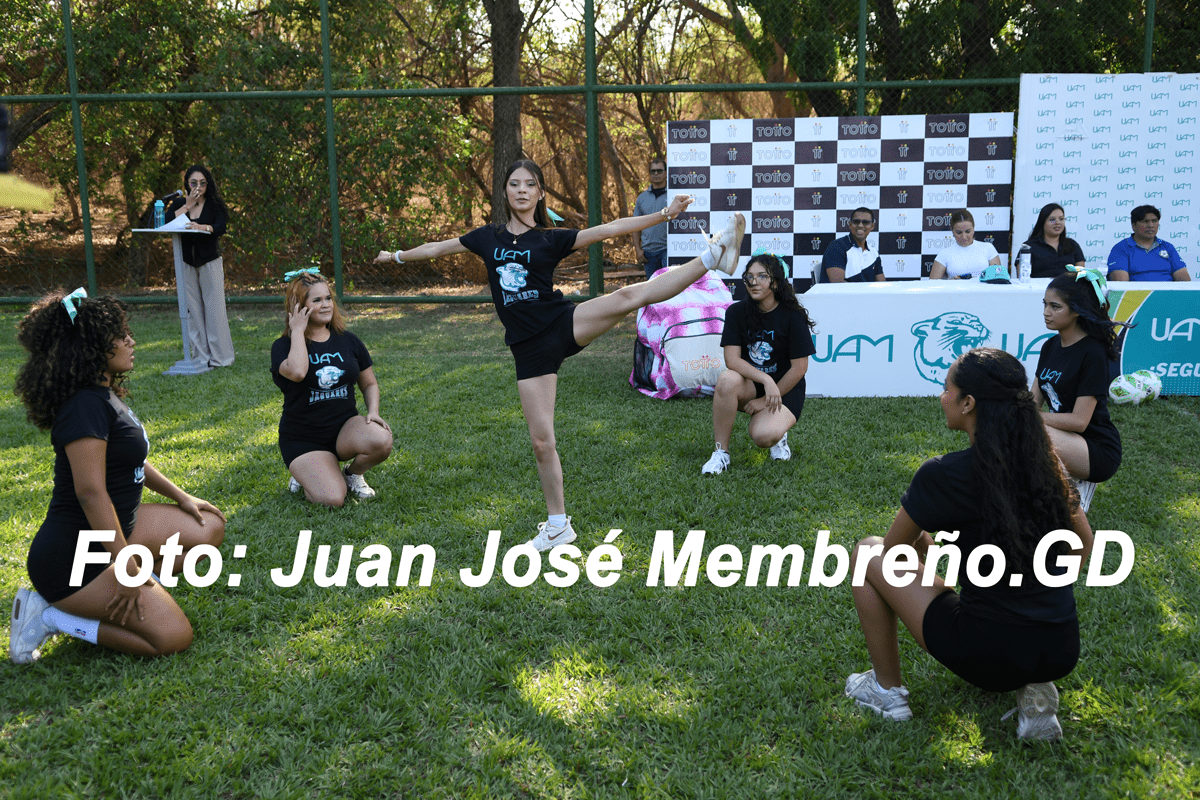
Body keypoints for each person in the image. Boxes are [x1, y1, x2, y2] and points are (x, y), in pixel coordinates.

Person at [373, 158, 744, 551]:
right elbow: (436, 248)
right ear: (504, 191)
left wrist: (664, 215)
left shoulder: (549, 239)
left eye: (528, 184)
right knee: (541, 441)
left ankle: (712, 257)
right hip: (528, 349)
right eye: (513, 183)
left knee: (628, 296)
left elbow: (609, 229)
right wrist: (395, 257)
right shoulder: (487, 237)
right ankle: (557, 526)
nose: (520, 190)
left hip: (561, 324)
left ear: (539, 193)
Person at [844, 347, 1093, 741]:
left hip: (987, 652)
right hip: (1060, 645)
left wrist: (925, 546)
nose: (942, 397)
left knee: (867, 552)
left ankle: (886, 690)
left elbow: (893, 554)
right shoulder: (1049, 462)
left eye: (947, 389)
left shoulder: (943, 474)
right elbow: (1083, 548)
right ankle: (1033, 688)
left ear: (969, 403)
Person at [9, 290, 226, 663]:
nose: (132, 342)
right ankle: (51, 615)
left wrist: (182, 496)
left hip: (117, 530)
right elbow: (91, 492)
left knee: (208, 527)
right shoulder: (84, 408)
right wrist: (124, 566)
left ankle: (135, 585)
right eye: (121, 336)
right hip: (74, 559)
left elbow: (130, 461)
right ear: (94, 347)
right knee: (173, 637)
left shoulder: (104, 394)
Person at [271, 269, 393, 507]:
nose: (326, 305)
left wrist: (373, 412)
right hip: (303, 439)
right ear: (299, 306)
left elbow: (369, 383)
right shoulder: (282, 346)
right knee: (332, 499)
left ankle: (351, 475)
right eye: (317, 300)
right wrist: (297, 330)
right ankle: (307, 472)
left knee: (381, 440)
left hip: (343, 431)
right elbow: (297, 372)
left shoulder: (348, 340)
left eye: (328, 298)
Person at [701, 252, 816, 474]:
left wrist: (767, 399)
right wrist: (764, 380)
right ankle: (720, 453)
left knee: (763, 436)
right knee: (726, 379)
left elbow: (799, 367)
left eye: (762, 276)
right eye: (749, 276)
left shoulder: (792, 316)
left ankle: (779, 435)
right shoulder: (736, 311)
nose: (754, 282)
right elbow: (732, 360)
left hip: (786, 387)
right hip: (752, 383)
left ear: (775, 281)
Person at [1033, 268, 1128, 511]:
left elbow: (1079, 421)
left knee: (1030, 430)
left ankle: (1075, 491)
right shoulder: (1050, 345)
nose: (1046, 312)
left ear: (1076, 310)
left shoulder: (1093, 352)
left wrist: (1031, 418)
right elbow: (1032, 402)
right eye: (1045, 304)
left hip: (1095, 448)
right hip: (1061, 436)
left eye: (1055, 307)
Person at [166, 164, 236, 367]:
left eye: (202, 183)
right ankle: (200, 357)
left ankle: (220, 358)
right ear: (187, 184)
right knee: (193, 310)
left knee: (214, 309)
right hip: (186, 261)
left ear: (208, 184)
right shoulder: (179, 203)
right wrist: (187, 205)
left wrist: (203, 227)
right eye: (194, 183)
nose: (198, 187)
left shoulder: (214, 204)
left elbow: (221, 226)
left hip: (209, 261)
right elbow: (167, 222)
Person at [1106, 205, 1192, 282]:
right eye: (1145, 221)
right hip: (1136, 298)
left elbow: (1185, 281)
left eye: (1154, 221)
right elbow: (1121, 284)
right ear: (1133, 226)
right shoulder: (1121, 248)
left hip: (1168, 296)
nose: (1151, 225)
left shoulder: (1168, 247)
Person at [929, 210, 1003, 281]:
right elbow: (933, 284)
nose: (964, 237)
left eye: (968, 231)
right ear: (952, 231)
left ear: (973, 229)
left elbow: (999, 277)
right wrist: (951, 281)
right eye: (959, 232)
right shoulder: (944, 253)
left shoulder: (988, 248)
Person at [819, 207, 885, 282]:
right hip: (841, 294)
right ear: (850, 224)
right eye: (856, 222)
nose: (860, 225)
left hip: (865, 293)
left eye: (865, 222)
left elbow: (881, 284)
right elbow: (837, 285)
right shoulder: (836, 247)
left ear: (872, 226)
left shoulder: (874, 253)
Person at [1022, 203, 1085, 279]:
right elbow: (1022, 277)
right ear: (1042, 222)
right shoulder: (1028, 247)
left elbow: (1081, 276)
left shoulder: (1072, 245)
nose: (1057, 222)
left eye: (1061, 219)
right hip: (1039, 289)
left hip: (1068, 289)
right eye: (1052, 220)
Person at [632, 157, 670, 280]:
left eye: (659, 171)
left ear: (666, 173)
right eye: (653, 171)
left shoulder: (673, 196)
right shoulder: (642, 198)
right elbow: (635, 225)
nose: (656, 174)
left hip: (668, 250)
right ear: (649, 174)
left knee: (669, 287)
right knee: (652, 291)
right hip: (648, 253)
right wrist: (638, 249)